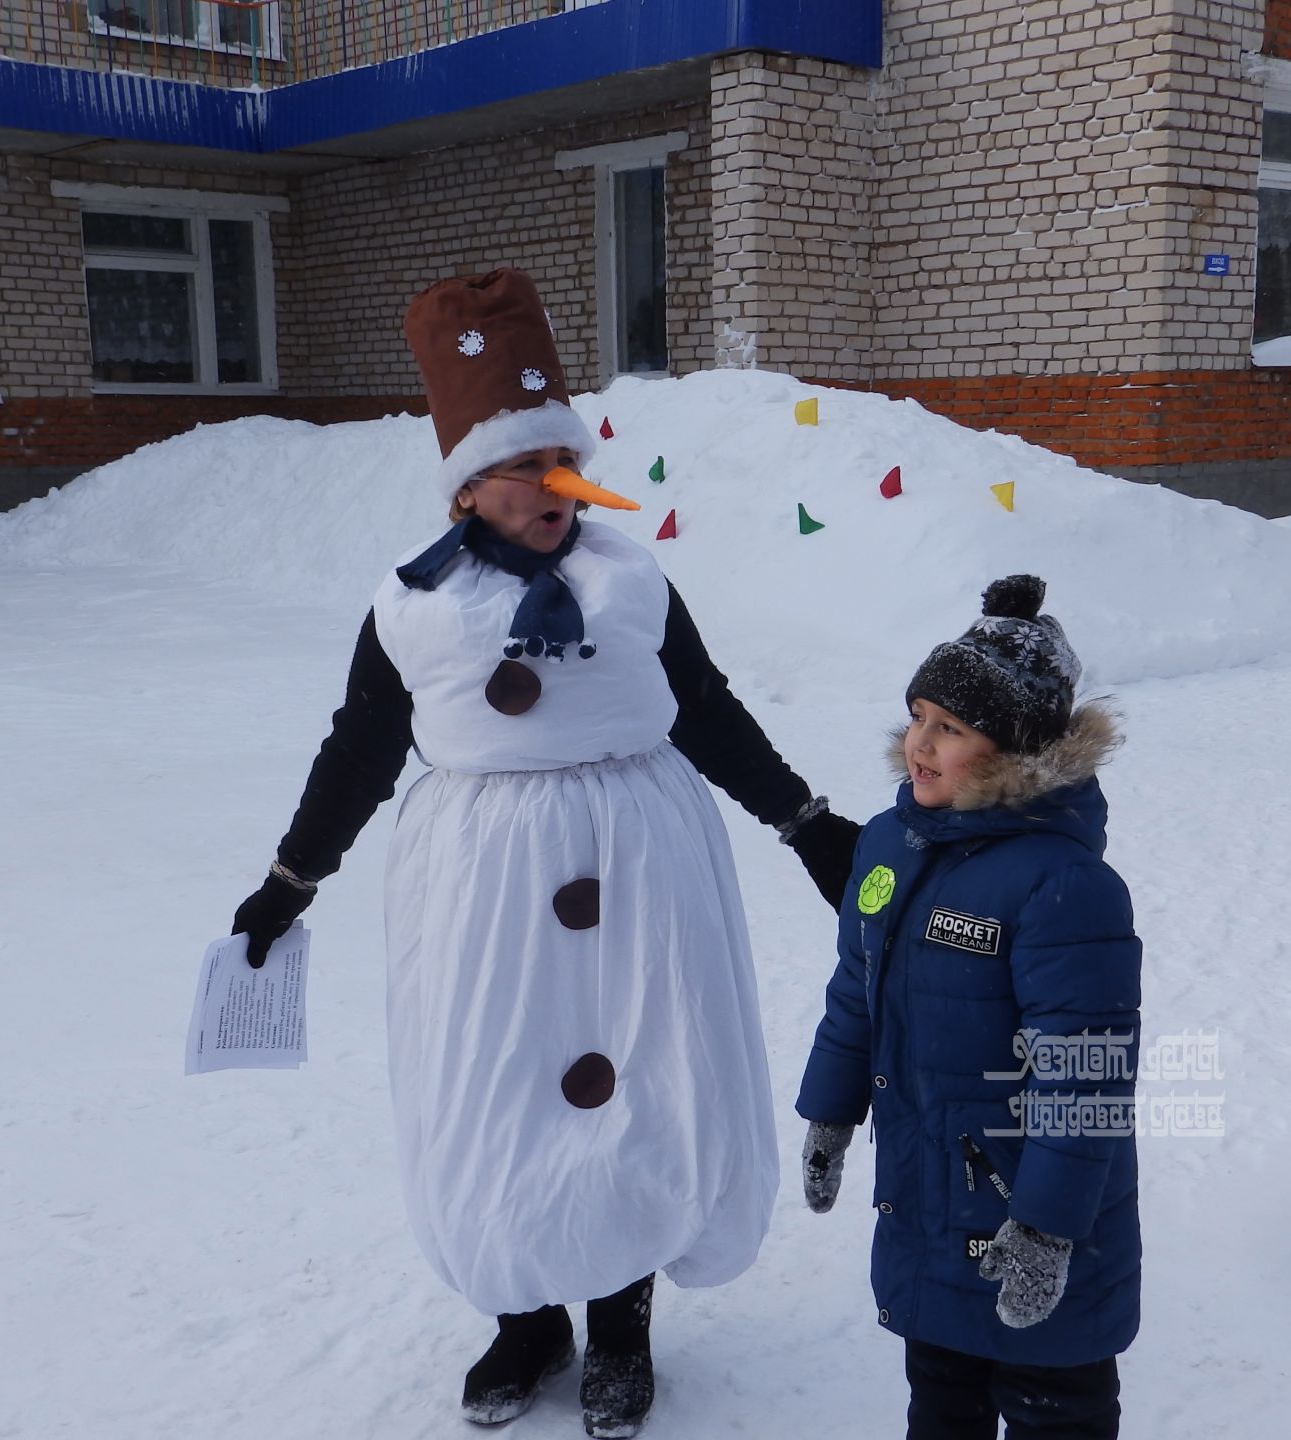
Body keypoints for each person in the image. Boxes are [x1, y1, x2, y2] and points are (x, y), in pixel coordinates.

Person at [229, 268, 859, 1438]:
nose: (555, 488)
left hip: (643, 862)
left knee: (643, 1074)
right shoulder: (410, 608)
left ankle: (622, 1317)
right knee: (500, 1085)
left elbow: (706, 708)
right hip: (482, 884)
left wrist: (807, 822)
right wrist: (289, 879)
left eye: (563, 464)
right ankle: (527, 1318)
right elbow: (362, 749)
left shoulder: (631, 582)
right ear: (469, 490)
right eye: (529, 470)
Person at [795, 576, 1141, 1440]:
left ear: (1016, 751)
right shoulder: (891, 842)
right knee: (941, 1401)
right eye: (918, 716)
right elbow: (855, 990)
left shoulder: (1064, 886)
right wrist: (831, 1113)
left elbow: (1084, 1078)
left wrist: (1049, 1229)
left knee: (1054, 1407)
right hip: (926, 1192)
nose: (919, 744)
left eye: (950, 728)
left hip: (1029, 1205)